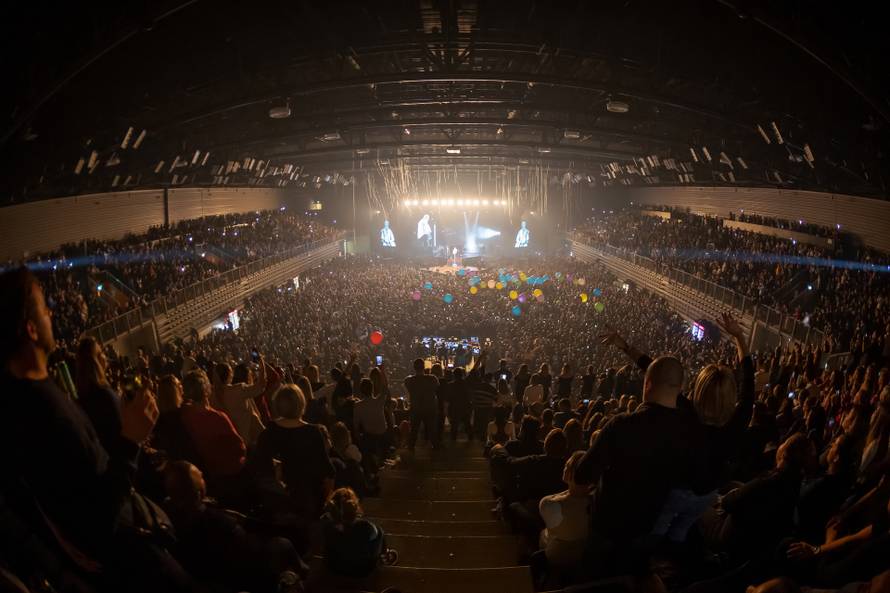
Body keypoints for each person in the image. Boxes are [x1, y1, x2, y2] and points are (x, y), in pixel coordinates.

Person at [0, 267, 193, 591]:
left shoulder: (31, 396)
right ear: (31, 329)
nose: (51, 312)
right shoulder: (41, 413)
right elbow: (98, 518)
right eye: (43, 306)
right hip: (132, 561)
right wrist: (131, 439)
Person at [574, 354, 700, 575]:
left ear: (647, 383)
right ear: (680, 388)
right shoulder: (688, 433)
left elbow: (583, 475)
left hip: (607, 527)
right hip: (648, 527)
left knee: (593, 581)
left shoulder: (621, 425)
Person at [254, 384, 336, 518]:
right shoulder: (312, 433)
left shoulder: (268, 433)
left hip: (276, 505)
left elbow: (261, 469)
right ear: (301, 404)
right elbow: (328, 472)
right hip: (307, 503)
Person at [321, 487, 398, 578]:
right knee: (379, 531)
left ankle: (382, 554)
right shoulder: (367, 527)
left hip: (335, 569)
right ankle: (383, 554)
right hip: (363, 571)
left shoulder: (328, 527)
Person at [538, 451, 590, 569]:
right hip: (584, 555)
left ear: (571, 472)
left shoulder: (550, 504)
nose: (564, 467)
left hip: (557, 556)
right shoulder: (596, 502)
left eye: (567, 465)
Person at [75, 336, 122, 454]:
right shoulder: (104, 394)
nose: (105, 357)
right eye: (101, 353)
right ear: (94, 361)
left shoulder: (84, 395)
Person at [211, 360, 267, 448]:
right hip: (243, 438)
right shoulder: (238, 390)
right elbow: (261, 386)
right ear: (230, 375)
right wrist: (262, 366)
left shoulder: (210, 394)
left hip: (225, 441)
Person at [403, 358, 439, 450]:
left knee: (414, 430)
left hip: (416, 408)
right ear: (424, 367)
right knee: (432, 430)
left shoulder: (409, 380)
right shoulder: (432, 379)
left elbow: (407, 385)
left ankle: (411, 448)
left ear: (414, 367)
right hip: (429, 408)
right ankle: (436, 448)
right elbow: (436, 388)